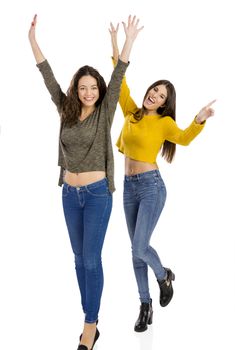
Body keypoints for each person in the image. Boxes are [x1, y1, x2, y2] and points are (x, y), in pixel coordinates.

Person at [28, 14, 143, 350]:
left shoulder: (105, 111)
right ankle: (89, 314)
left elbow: (119, 75)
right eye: (84, 87)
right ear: (76, 90)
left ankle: (90, 324)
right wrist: (33, 41)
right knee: (78, 259)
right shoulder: (65, 108)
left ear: (99, 91)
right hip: (69, 193)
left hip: (96, 195)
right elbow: (47, 77)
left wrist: (129, 40)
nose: (89, 92)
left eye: (94, 87)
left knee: (91, 259)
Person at [109, 23, 215, 332]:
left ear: (166, 103)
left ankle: (163, 274)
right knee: (134, 250)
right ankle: (145, 306)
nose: (154, 95)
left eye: (161, 95)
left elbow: (182, 138)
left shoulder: (165, 122)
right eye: (154, 90)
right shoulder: (132, 113)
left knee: (140, 247)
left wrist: (198, 120)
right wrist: (119, 44)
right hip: (129, 188)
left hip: (152, 188)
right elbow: (121, 83)